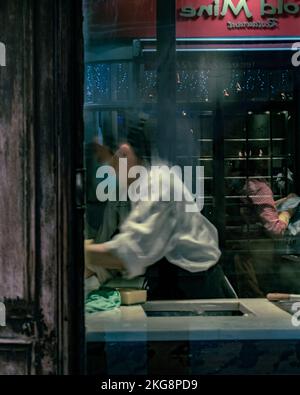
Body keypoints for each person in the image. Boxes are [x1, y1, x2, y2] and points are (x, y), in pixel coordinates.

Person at [85, 113, 236, 300]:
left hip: (197, 294)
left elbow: (128, 253)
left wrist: (79, 252)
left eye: (108, 163)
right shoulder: (143, 185)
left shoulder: (158, 186)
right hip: (176, 285)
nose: (111, 172)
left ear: (124, 153)